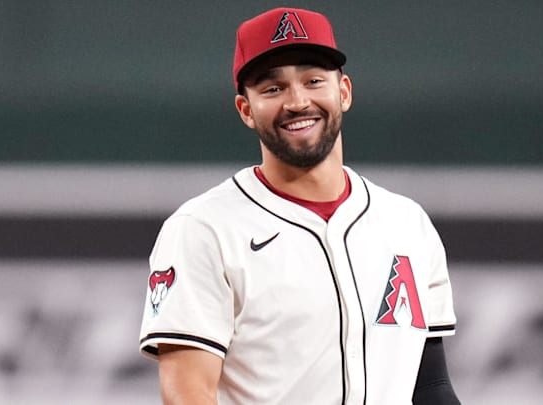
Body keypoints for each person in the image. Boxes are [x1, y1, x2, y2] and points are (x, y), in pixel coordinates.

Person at [139, 7, 461, 405]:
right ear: (245, 109)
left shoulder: (406, 223)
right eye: (273, 89)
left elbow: (429, 388)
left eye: (313, 80)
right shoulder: (203, 229)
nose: (297, 101)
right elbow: (188, 393)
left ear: (343, 92)